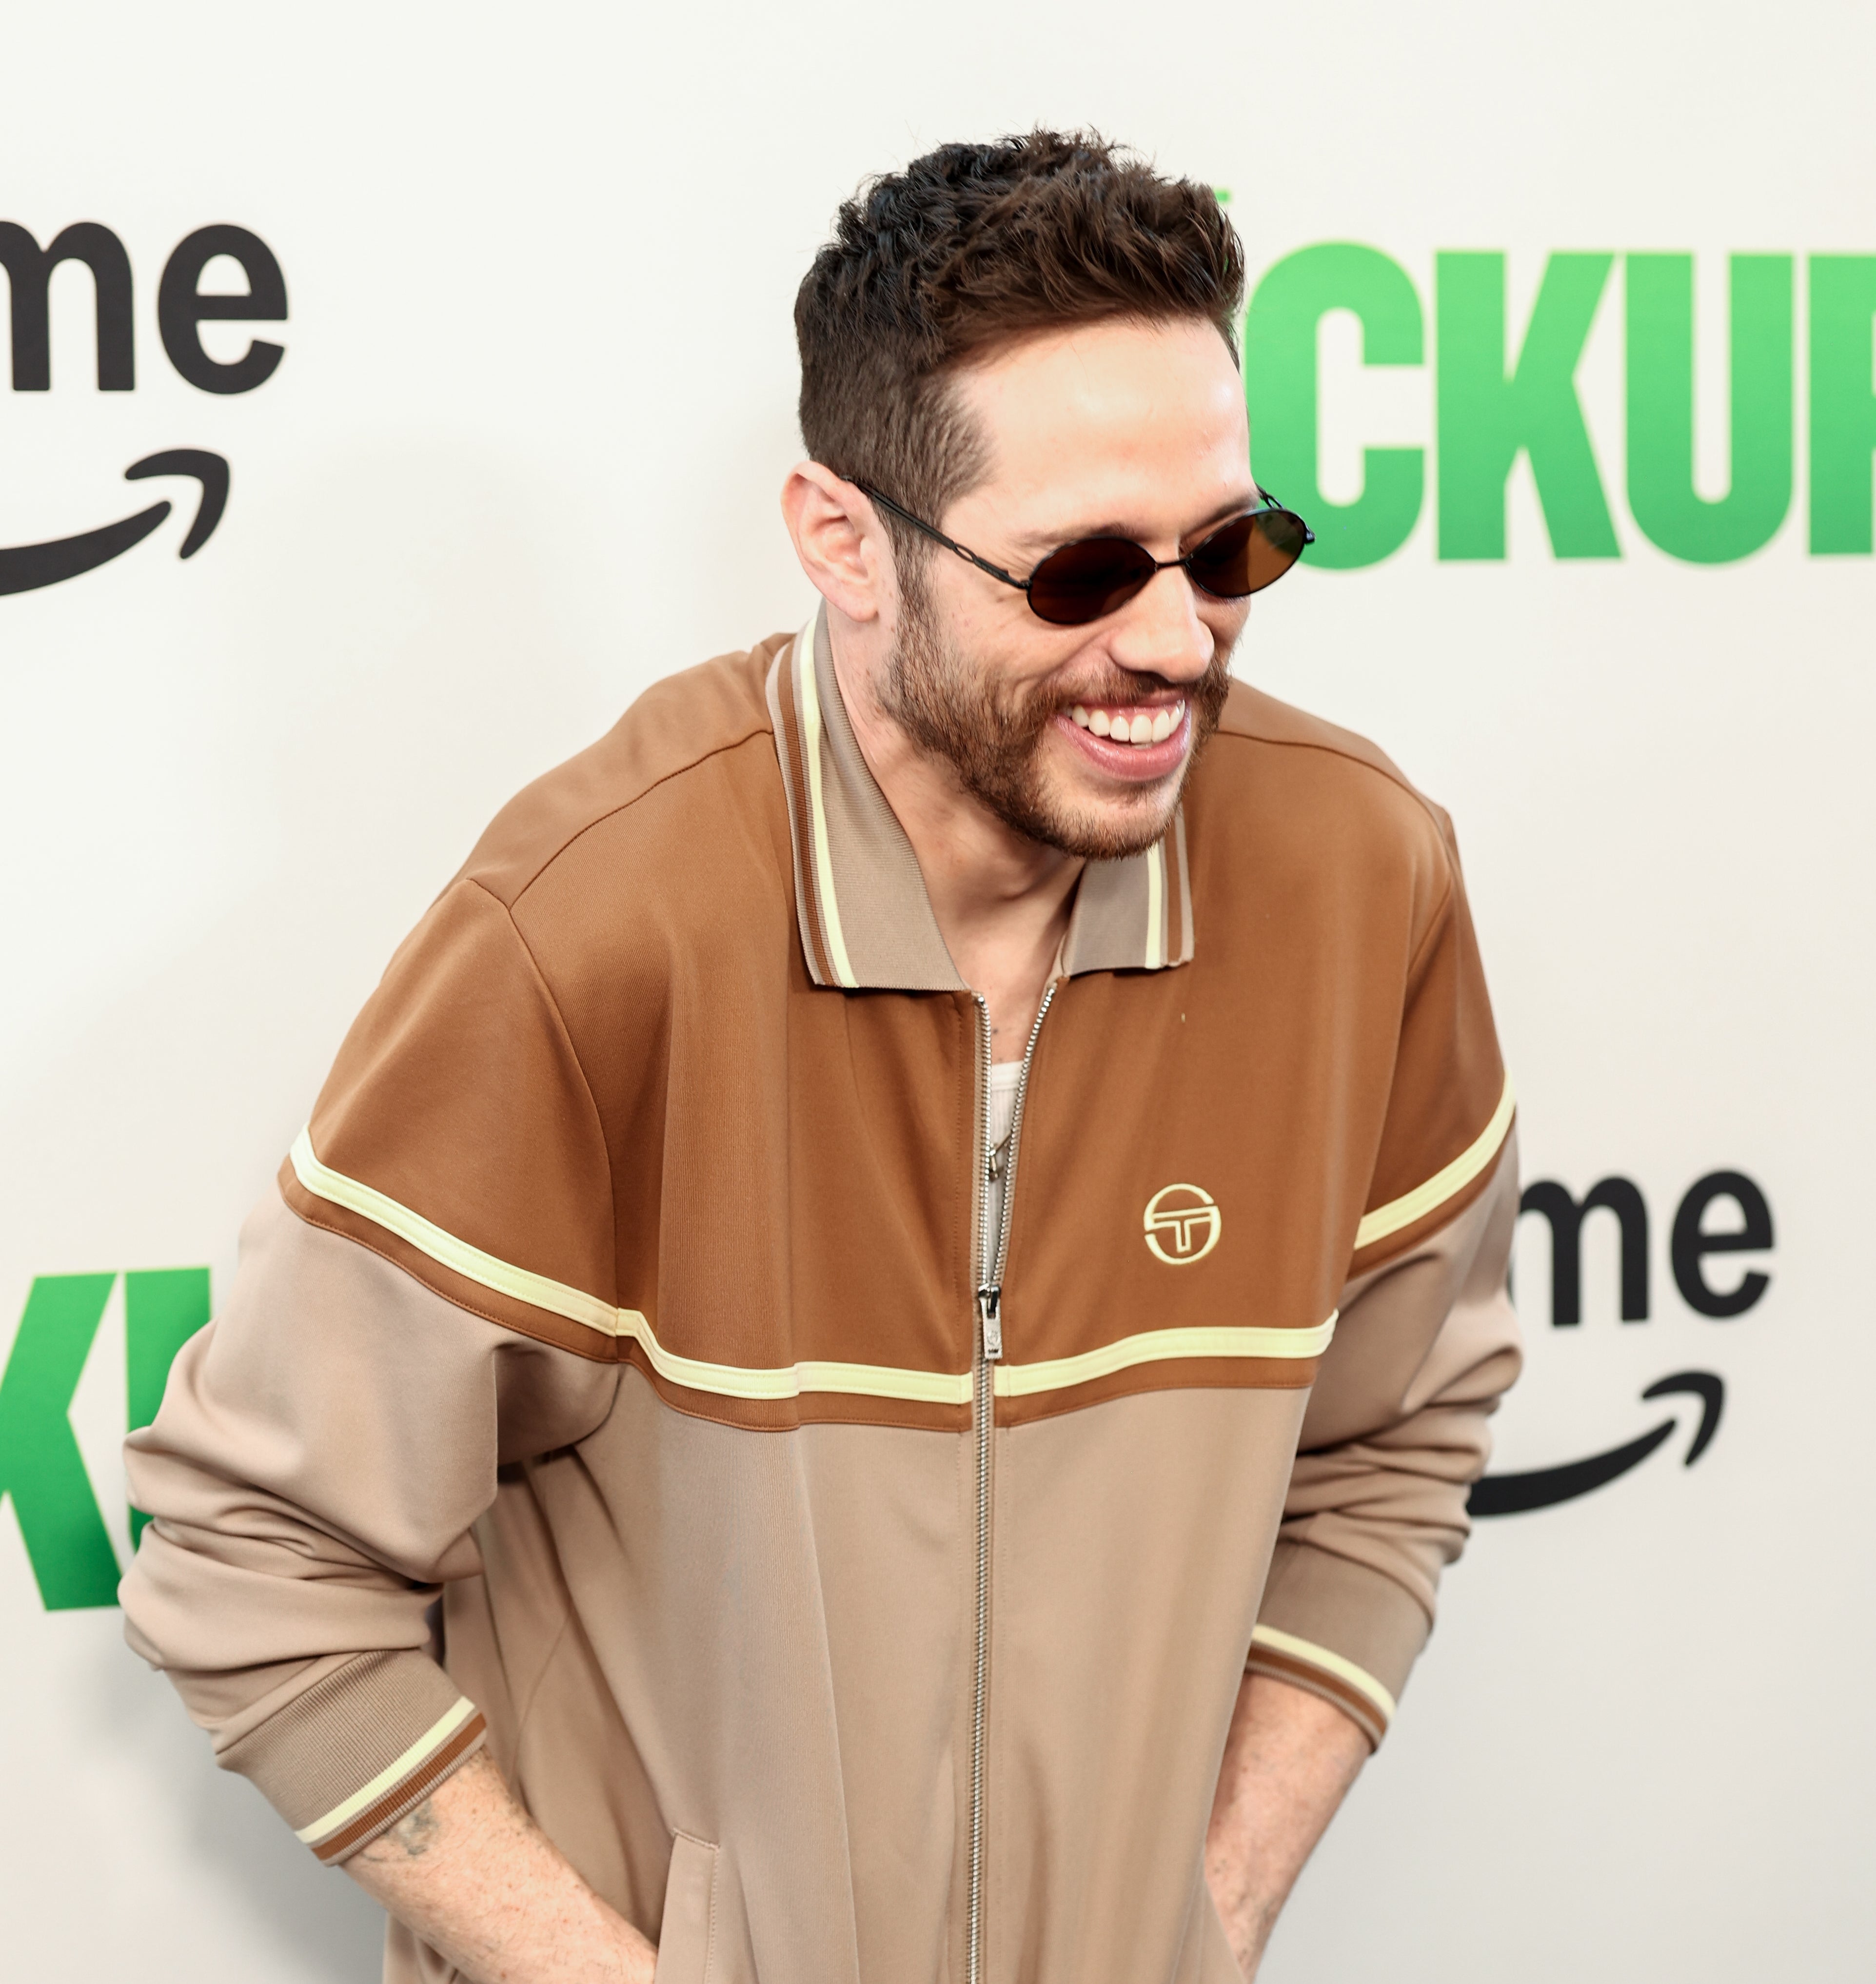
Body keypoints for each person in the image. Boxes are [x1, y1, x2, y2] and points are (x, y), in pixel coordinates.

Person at [121, 130, 1520, 1984]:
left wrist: (1216, 1905)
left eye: (1230, 547)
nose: (1181, 640)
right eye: (1085, 572)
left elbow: (1396, 1437)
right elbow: (250, 1555)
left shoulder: (1362, 879)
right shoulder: (595, 926)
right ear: (844, 543)